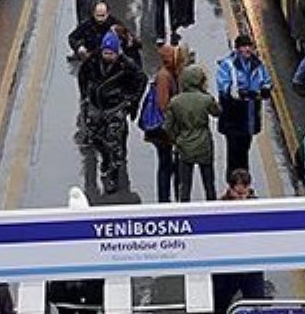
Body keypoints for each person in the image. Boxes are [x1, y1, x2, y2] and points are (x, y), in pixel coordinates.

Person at [77, 32, 147, 194]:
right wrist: (85, 95)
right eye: (106, 53)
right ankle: (106, 159)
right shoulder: (93, 61)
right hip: (96, 106)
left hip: (115, 108)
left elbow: (141, 80)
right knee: (95, 138)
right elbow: (82, 75)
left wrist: (132, 101)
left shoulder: (126, 65)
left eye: (111, 53)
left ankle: (113, 175)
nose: (108, 56)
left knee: (115, 144)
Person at [213, 169, 268, 314]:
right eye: (238, 194)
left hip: (251, 269)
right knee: (219, 310)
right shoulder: (219, 209)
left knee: (258, 313)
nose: (241, 199)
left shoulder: (257, 207)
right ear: (230, 189)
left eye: (245, 194)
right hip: (227, 270)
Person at [216, 34, 273, 177]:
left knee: (244, 150)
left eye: (249, 46)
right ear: (237, 49)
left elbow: (266, 80)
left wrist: (265, 88)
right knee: (234, 152)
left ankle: (243, 181)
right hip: (233, 118)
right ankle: (234, 181)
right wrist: (240, 93)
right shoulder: (228, 65)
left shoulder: (258, 65)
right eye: (244, 46)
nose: (247, 49)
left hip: (250, 116)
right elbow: (224, 87)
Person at [164, 63, 219, 202]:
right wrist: (206, 93)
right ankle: (213, 208)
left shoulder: (175, 102)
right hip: (204, 144)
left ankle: (184, 208)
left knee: (185, 185)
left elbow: (168, 127)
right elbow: (217, 112)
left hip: (184, 145)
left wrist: (176, 139)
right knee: (209, 184)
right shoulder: (206, 99)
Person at [147, 42, 189, 203]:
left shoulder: (171, 73)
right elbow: (163, 104)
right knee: (166, 163)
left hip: (168, 128)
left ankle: (170, 196)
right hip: (164, 129)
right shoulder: (165, 77)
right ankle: (165, 198)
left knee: (171, 163)